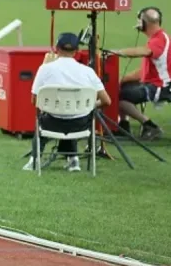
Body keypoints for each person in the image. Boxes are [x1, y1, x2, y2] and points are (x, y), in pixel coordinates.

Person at [24, 33, 111, 172]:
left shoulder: (45, 68)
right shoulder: (88, 71)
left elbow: (34, 101)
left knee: (57, 115)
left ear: (57, 48)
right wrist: (88, 106)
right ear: (77, 51)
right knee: (71, 114)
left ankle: (34, 160)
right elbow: (107, 101)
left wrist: (44, 64)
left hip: (51, 123)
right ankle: (73, 159)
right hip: (80, 124)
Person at [112, 7, 171, 140]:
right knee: (118, 88)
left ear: (145, 22)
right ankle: (123, 125)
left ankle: (150, 126)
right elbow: (143, 72)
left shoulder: (159, 40)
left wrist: (118, 52)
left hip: (163, 87)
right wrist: (121, 79)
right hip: (160, 84)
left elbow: (143, 51)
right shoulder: (158, 39)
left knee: (120, 96)